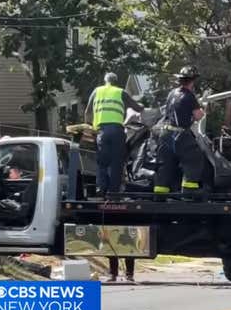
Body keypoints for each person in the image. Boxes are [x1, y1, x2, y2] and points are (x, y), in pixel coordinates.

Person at [85, 72, 143, 282]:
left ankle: (103, 191)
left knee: (102, 163)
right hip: (117, 131)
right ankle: (115, 192)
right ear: (115, 81)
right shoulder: (121, 92)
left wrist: (91, 128)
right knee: (117, 163)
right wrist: (139, 111)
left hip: (100, 132)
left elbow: (87, 112)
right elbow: (138, 108)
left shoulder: (97, 91)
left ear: (104, 80)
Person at [153, 66, 206, 196]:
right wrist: (203, 108)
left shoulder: (172, 93)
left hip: (165, 134)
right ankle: (189, 191)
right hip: (180, 134)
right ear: (192, 81)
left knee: (165, 164)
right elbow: (198, 116)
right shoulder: (189, 96)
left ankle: (160, 194)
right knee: (194, 158)